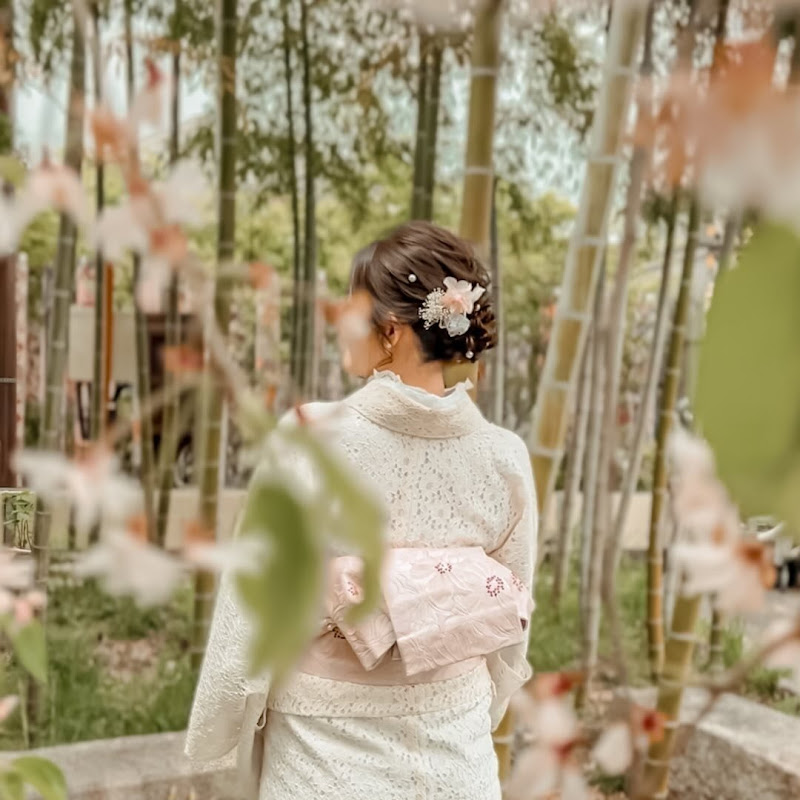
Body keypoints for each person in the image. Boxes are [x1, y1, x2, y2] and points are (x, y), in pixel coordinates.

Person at [185, 221, 538, 800]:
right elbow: (509, 627)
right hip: (457, 759)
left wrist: (222, 729)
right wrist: (463, 701)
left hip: (322, 758)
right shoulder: (504, 458)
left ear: (391, 331)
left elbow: (249, 612)